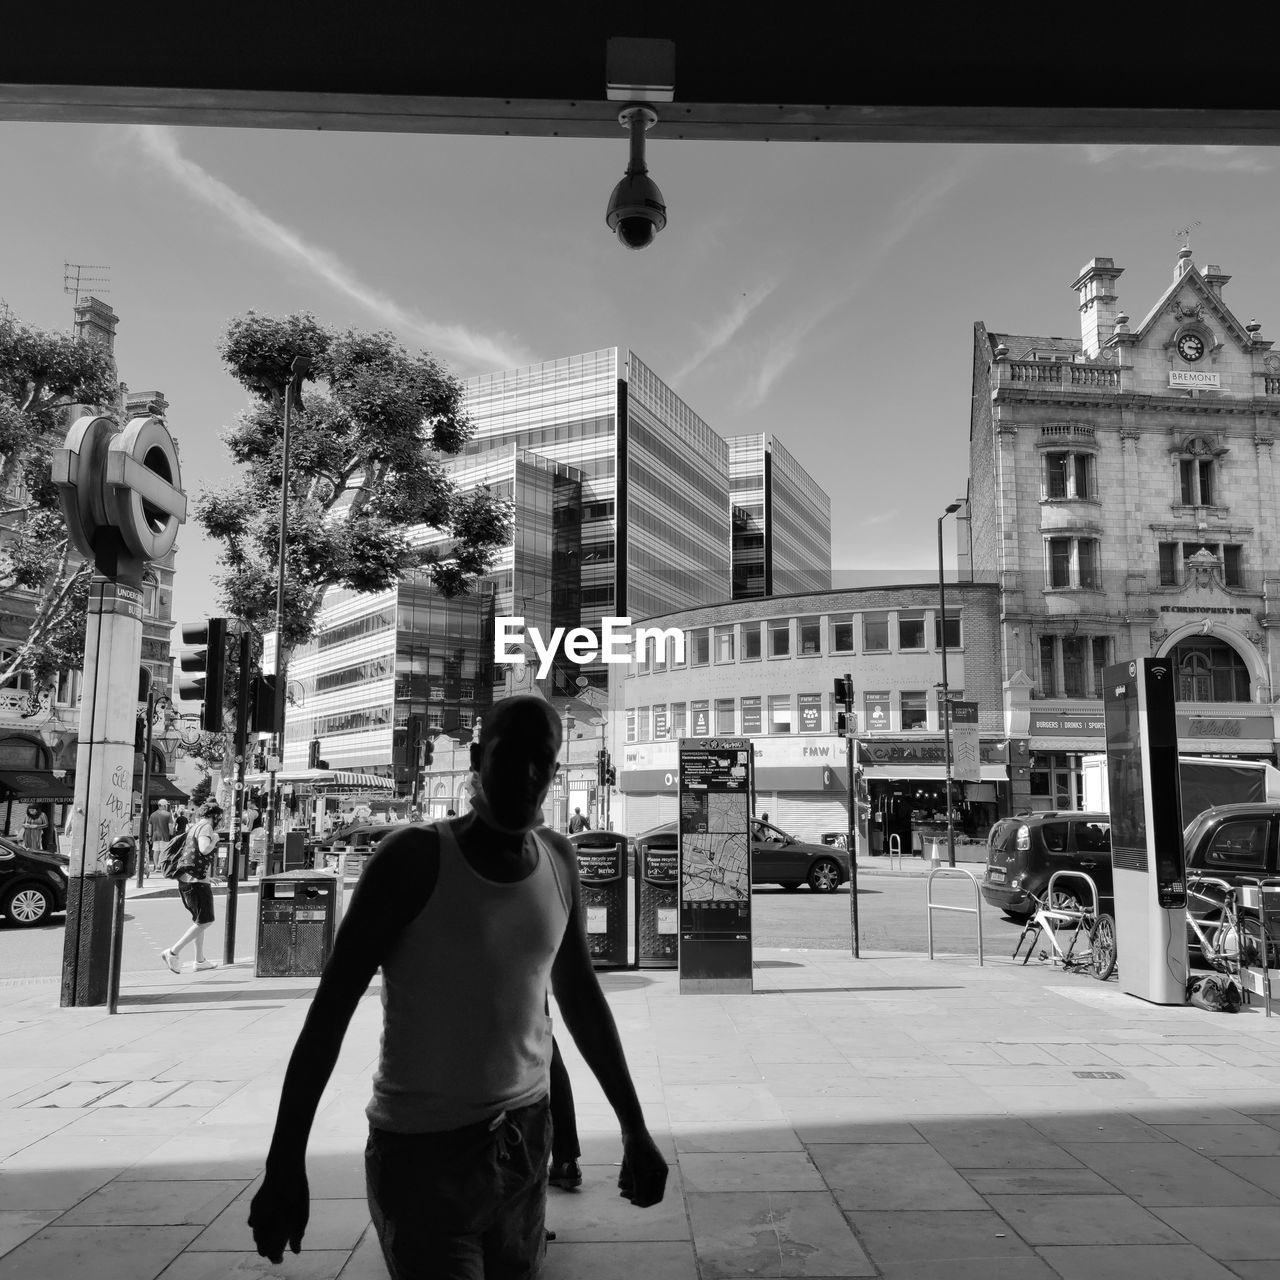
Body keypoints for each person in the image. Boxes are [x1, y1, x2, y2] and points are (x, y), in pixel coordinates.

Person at [249, 695, 667, 1276]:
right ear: (476, 757)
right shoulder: (411, 860)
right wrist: (284, 1163)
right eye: (508, 756)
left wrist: (634, 1127)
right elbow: (327, 1017)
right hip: (423, 1157)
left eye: (541, 760)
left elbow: (582, 1001)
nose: (525, 775)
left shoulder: (558, 860)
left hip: (525, 1144)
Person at [160, 801, 223, 974]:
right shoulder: (206, 828)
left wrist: (209, 877)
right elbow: (203, 850)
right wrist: (215, 840)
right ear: (214, 816)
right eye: (219, 817)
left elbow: (192, 856)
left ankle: (200, 960)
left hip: (189, 879)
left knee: (199, 922)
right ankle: (172, 952)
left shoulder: (194, 827)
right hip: (195, 883)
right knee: (206, 920)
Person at [148, 800, 174, 872]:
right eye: (166, 805)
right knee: (163, 851)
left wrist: (150, 836)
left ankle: (156, 866)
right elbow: (170, 826)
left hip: (155, 836)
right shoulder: (168, 814)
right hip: (165, 836)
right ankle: (160, 866)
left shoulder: (152, 814)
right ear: (164, 805)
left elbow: (149, 826)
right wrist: (171, 834)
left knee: (156, 851)